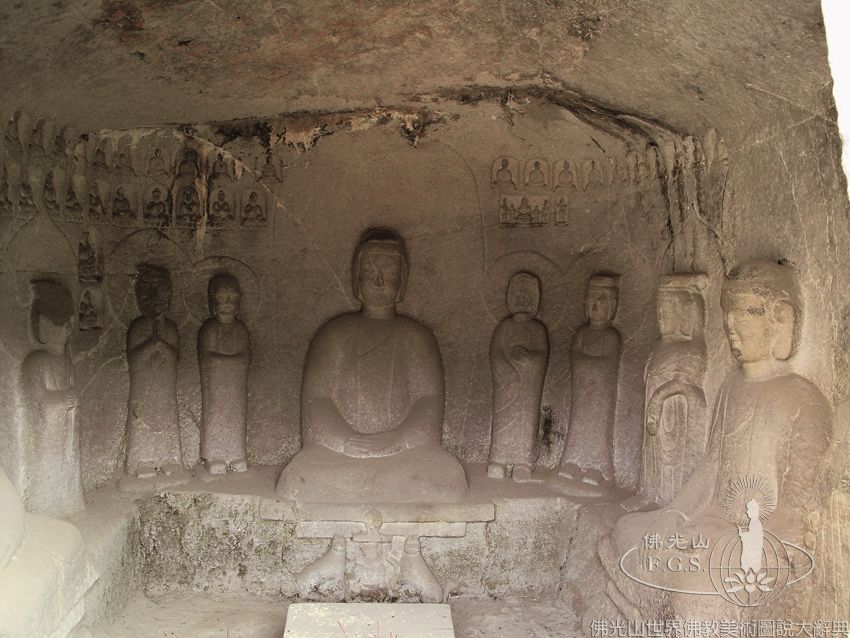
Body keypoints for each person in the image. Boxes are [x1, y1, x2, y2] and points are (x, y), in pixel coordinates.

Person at [276, 228, 468, 503]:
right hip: (337, 455)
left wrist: (398, 439)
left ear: (402, 282)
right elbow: (317, 401)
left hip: (406, 454)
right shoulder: (333, 334)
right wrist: (346, 440)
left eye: (389, 273)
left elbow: (428, 401)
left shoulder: (417, 338)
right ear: (356, 279)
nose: (379, 281)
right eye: (370, 272)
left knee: (445, 481)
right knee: (299, 480)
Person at [198, 274, 250, 475]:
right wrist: (230, 362)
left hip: (236, 388)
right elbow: (207, 358)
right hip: (217, 388)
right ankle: (214, 456)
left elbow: (245, 358)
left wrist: (224, 362)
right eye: (222, 298)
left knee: (236, 418)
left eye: (232, 298)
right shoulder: (209, 329)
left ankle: (237, 454)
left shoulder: (241, 329)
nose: (227, 303)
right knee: (215, 417)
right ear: (213, 301)